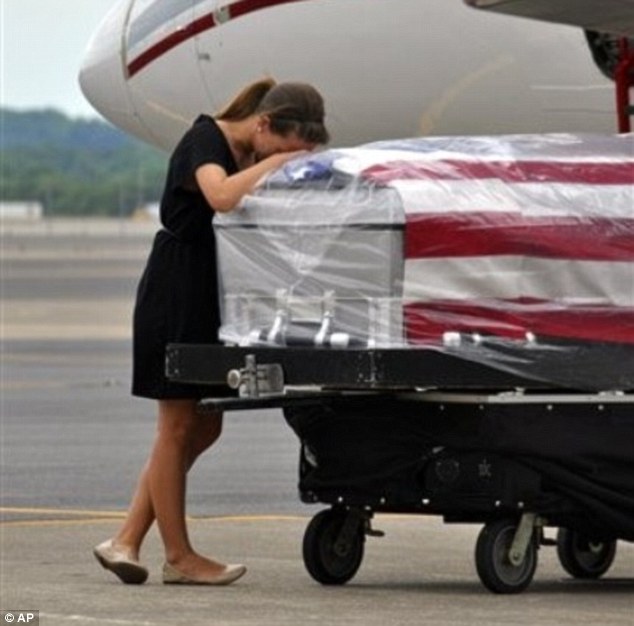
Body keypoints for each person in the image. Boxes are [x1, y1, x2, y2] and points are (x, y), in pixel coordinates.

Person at [93, 78, 329, 586]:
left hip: (207, 294)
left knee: (201, 427)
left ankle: (127, 539)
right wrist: (271, 166)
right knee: (177, 429)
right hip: (176, 290)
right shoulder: (207, 139)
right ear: (264, 125)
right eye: (283, 149)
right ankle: (179, 557)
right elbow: (219, 197)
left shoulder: (247, 149)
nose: (282, 160)